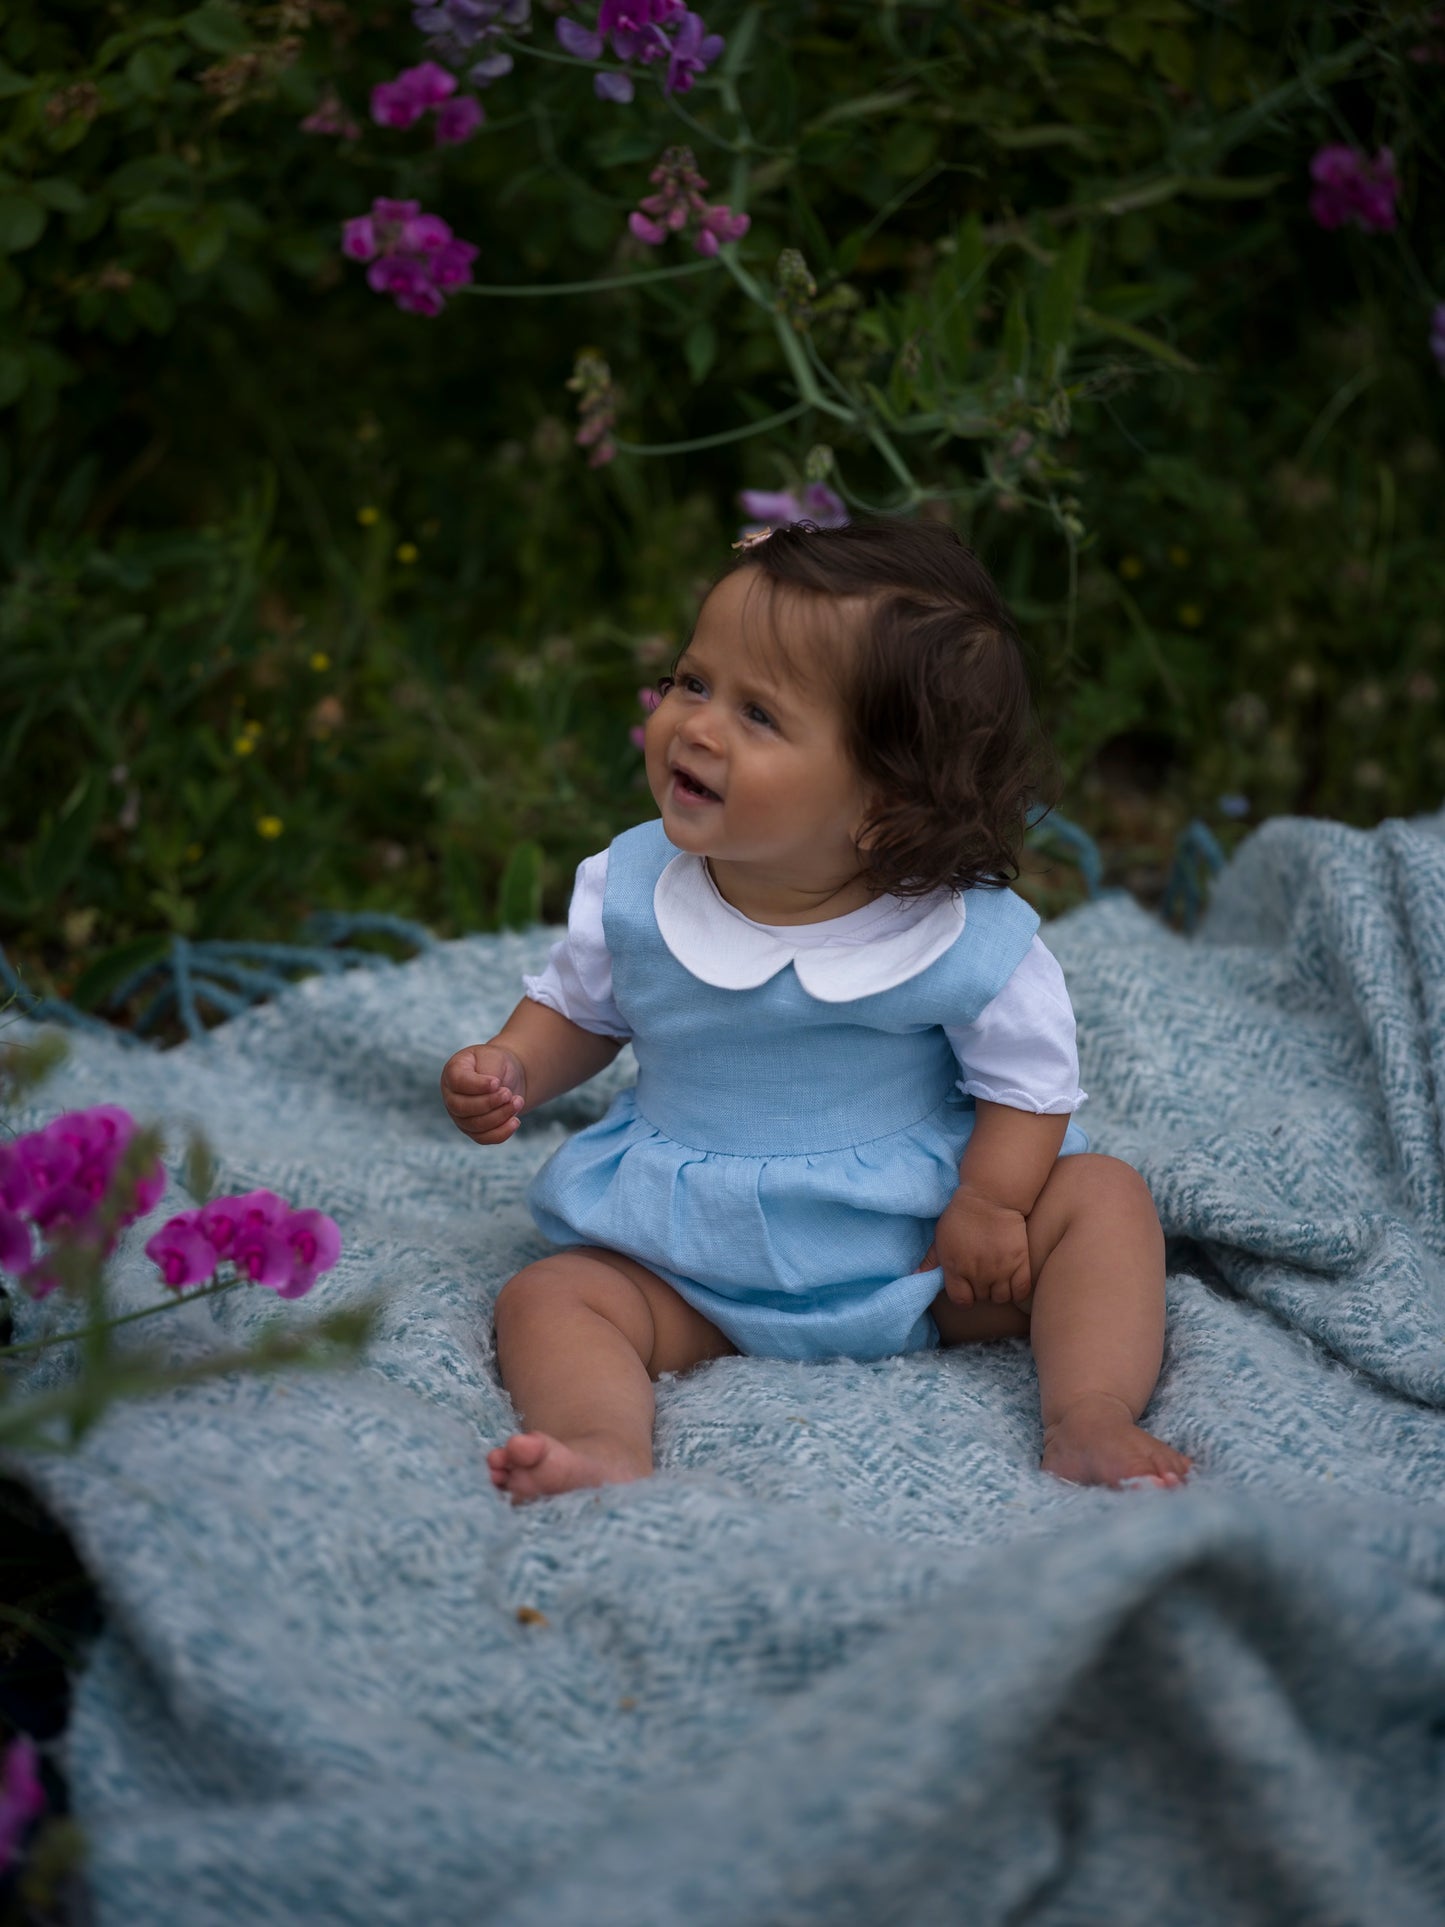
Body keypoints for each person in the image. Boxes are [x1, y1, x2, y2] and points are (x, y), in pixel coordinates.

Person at [442, 519, 1192, 1503]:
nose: (695, 724)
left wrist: (993, 1203)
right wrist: (513, 1064)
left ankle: (1089, 1411)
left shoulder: (959, 938)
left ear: (880, 806)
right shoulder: (633, 890)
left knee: (1102, 1199)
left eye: (758, 714)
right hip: (691, 1270)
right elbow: (580, 1010)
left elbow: (1028, 1084)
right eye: (691, 681)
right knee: (547, 1297)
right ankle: (602, 1439)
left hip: (919, 1255)